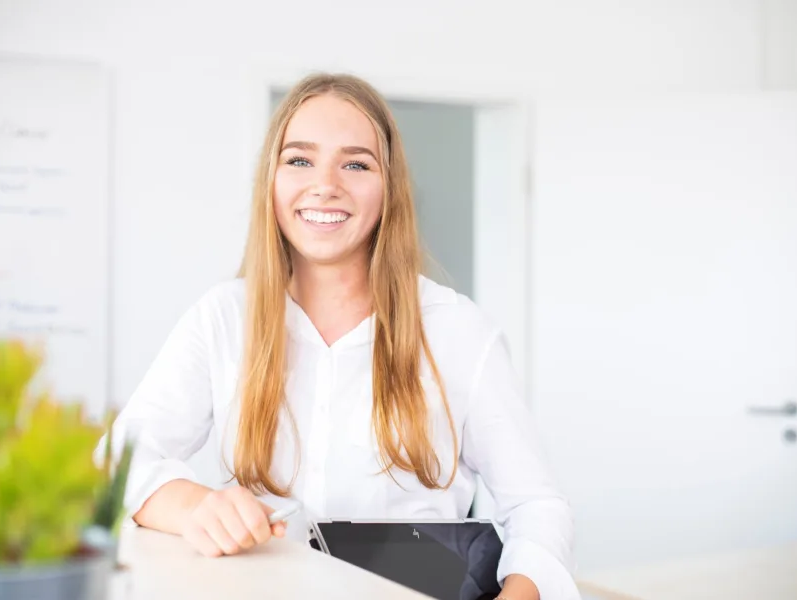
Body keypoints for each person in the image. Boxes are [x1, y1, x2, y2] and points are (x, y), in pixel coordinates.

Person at [105, 73, 580, 600]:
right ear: (272, 179)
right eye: (300, 160)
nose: (325, 184)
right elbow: (115, 465)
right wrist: (194, 505)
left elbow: (537, 508)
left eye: (355, 164)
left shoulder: (459, 332)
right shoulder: (222, 318)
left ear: (389, 188)